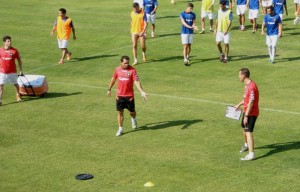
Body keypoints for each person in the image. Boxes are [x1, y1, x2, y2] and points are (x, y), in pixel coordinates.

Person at [107, 56, 148, 137]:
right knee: (120, 112)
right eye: (125, 63)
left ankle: (133, 119)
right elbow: (113, 79)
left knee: (132, 112)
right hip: (119, 96)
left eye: (128, 63)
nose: (127, 64)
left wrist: (142, 91)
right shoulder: (117, 69)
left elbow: (137, 81)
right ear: (121, 62)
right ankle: (120, 129)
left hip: (129, 96)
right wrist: (109, 89)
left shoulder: (132, 70)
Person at [234, 68, 259, 161]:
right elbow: (246, 100)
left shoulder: (252, 87)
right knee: (244, 129)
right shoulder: (246, 86)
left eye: (239, 75)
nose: (239, 76)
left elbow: (251, 103)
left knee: (248, 132)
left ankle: (251, 154)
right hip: (247, 111)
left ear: (244, 75)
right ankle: (246, 145)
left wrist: (246, 116)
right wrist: (239, 104)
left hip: (252, 113)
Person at [0, 36, 24, 105]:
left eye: (10, 41)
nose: (10, 42)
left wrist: (21, 70)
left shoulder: (14, 51)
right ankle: (0, 100)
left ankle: (18, 96)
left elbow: (19, 60)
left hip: (12, 72)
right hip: (2, 72)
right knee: (1, 86)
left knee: (16, 84)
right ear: (4, 42)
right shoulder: (0, 50)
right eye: (8, 41)